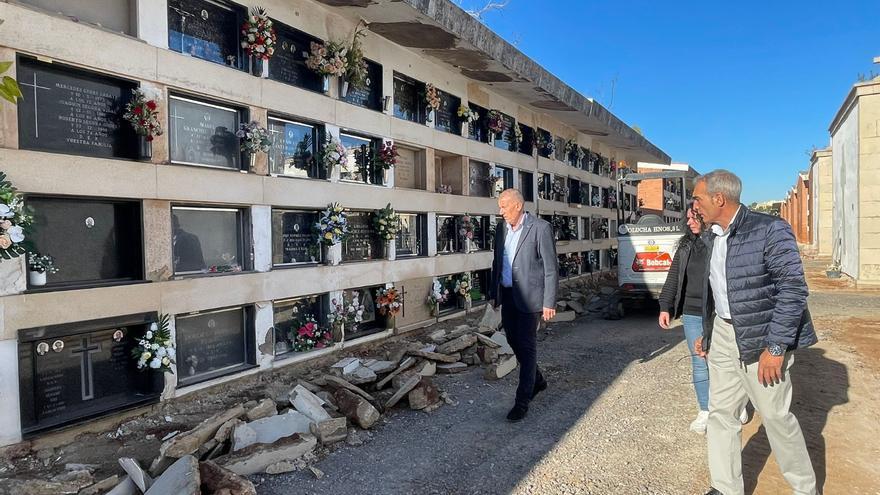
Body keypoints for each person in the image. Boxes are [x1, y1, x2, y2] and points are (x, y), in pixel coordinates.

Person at [692, 170, 818, 495]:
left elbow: (792, 288)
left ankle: (805, 489)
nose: (694, 205)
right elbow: (715, 291)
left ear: (719, 198)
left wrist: (776, 346)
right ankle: (724, 487)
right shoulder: (711, 235)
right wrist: (708, 334)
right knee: (721, 413)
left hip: (762, 336)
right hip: (723, 333)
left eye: (698, 199)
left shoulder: (769, 229)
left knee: (775, 416)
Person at [659, 208, 750, 434]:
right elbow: (674, 276)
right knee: (699, 361)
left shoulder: (721, 242)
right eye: (687, 218)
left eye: (693, 217)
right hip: (692, 312)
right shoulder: (686, 246)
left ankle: (734, 405)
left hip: (717, 311)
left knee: (726, 360)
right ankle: (705, 410)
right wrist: (665, 306)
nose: (689, 222)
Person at [488, 189, 558, 422]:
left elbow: (550, 268)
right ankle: (537, 379)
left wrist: (549, 302)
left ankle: (522, 401)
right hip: (508, 295)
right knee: (512, 340)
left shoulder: (540, 228)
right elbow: (497, 262)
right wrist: (493, 293)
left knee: (527, 347)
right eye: (500, 207)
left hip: (530, 298)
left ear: (518, 206)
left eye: (504, 206)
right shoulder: (501, 230)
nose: (501, 211)